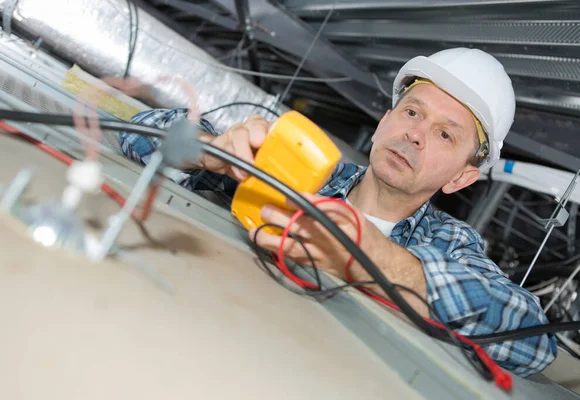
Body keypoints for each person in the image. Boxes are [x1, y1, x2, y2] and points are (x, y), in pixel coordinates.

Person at [115, 48, 557, 377]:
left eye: (444, 134)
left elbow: (533, 339)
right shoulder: (300, 168)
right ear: (385, 120)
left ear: (461, 178)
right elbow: (135, 133)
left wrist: (374, 257)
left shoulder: (449, 244)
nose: (415, 134)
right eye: (412, 111)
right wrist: (210, 153)